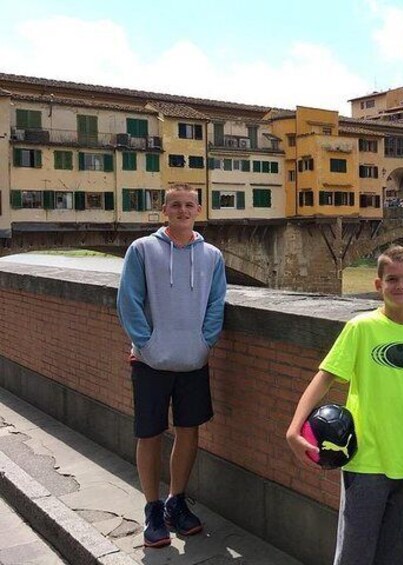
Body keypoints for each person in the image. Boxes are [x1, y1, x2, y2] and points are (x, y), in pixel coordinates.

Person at [286, 245, 403, 565]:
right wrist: (294, 428)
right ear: (378, 285)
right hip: (367, 458)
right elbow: (325, 377)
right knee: (355, 552)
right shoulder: (361, 327)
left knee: (396, 553)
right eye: (392, 279)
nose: (401, 286)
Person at [117, 184, 227, 548]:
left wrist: (205, 342)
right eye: (176, 205)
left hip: (193, 359)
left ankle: (176, 501)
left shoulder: (212, 255)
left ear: (198, 210)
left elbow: (216, 303)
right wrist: (146, 345)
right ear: (164, 210)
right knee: (148, 433)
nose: (183, 210)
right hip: (150, 361)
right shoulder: (142, 250)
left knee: (189, 430)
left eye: (189, 205)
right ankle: (152, 509)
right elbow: (128, 302)